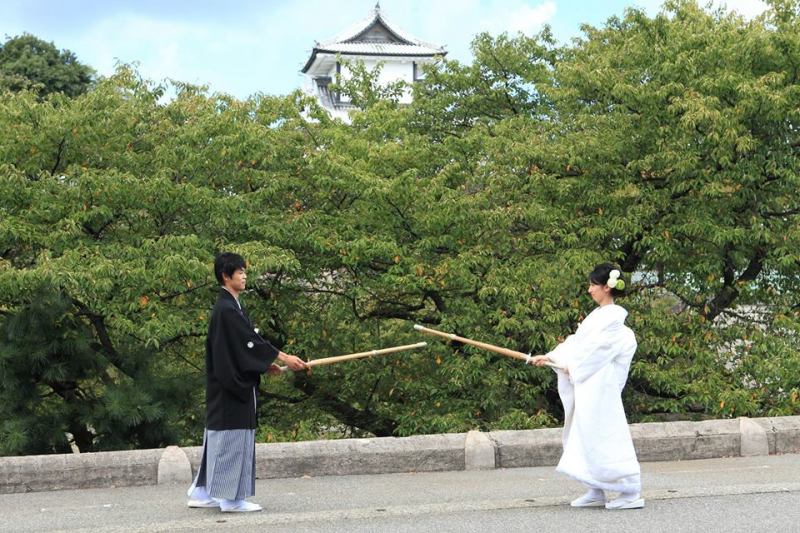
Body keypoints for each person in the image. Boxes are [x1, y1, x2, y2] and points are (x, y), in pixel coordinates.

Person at [187, 252, 307, 512]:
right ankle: (230, 499)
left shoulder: (230, 307)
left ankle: (202, 491)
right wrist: (284, 357)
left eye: (244, 271)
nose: (244, 276)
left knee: (218, 439)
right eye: (239, 272)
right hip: (232, 386)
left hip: (225, 383)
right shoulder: (227, 310)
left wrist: (265, 365)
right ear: (225, 276)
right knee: (232, 439)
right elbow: (249, 343)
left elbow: (245, 347)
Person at [530, 263, 644, 510]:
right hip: (588, 386)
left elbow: (599, 351)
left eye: (594, 284)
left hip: (601, 390)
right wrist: (551, 357)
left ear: (606, 287)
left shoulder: (614, 322)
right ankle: (595, 488)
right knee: (584, 434)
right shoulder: (597, 318)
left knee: (606, 435)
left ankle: (631, 490)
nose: (590, 289)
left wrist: (574, 366)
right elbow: (577, 344)